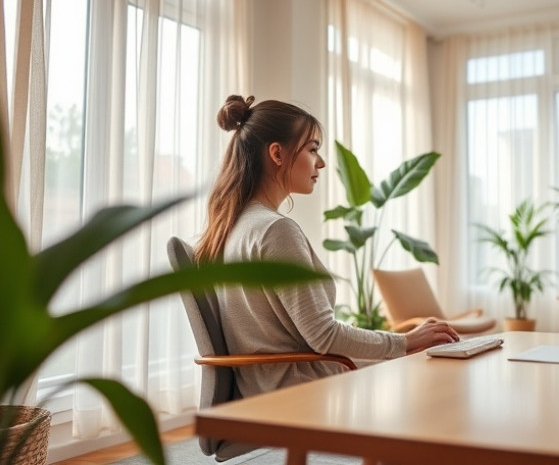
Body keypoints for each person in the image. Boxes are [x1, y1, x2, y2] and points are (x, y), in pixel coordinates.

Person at [194, 95, 459, 396]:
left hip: (268, 385)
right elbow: (324, 336)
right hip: (299, 390)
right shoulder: (274, 230)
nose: (320, 163)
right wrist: (406, 341)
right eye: (312, 149)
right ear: (277, 154)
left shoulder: (234, 226)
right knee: (432, 375)